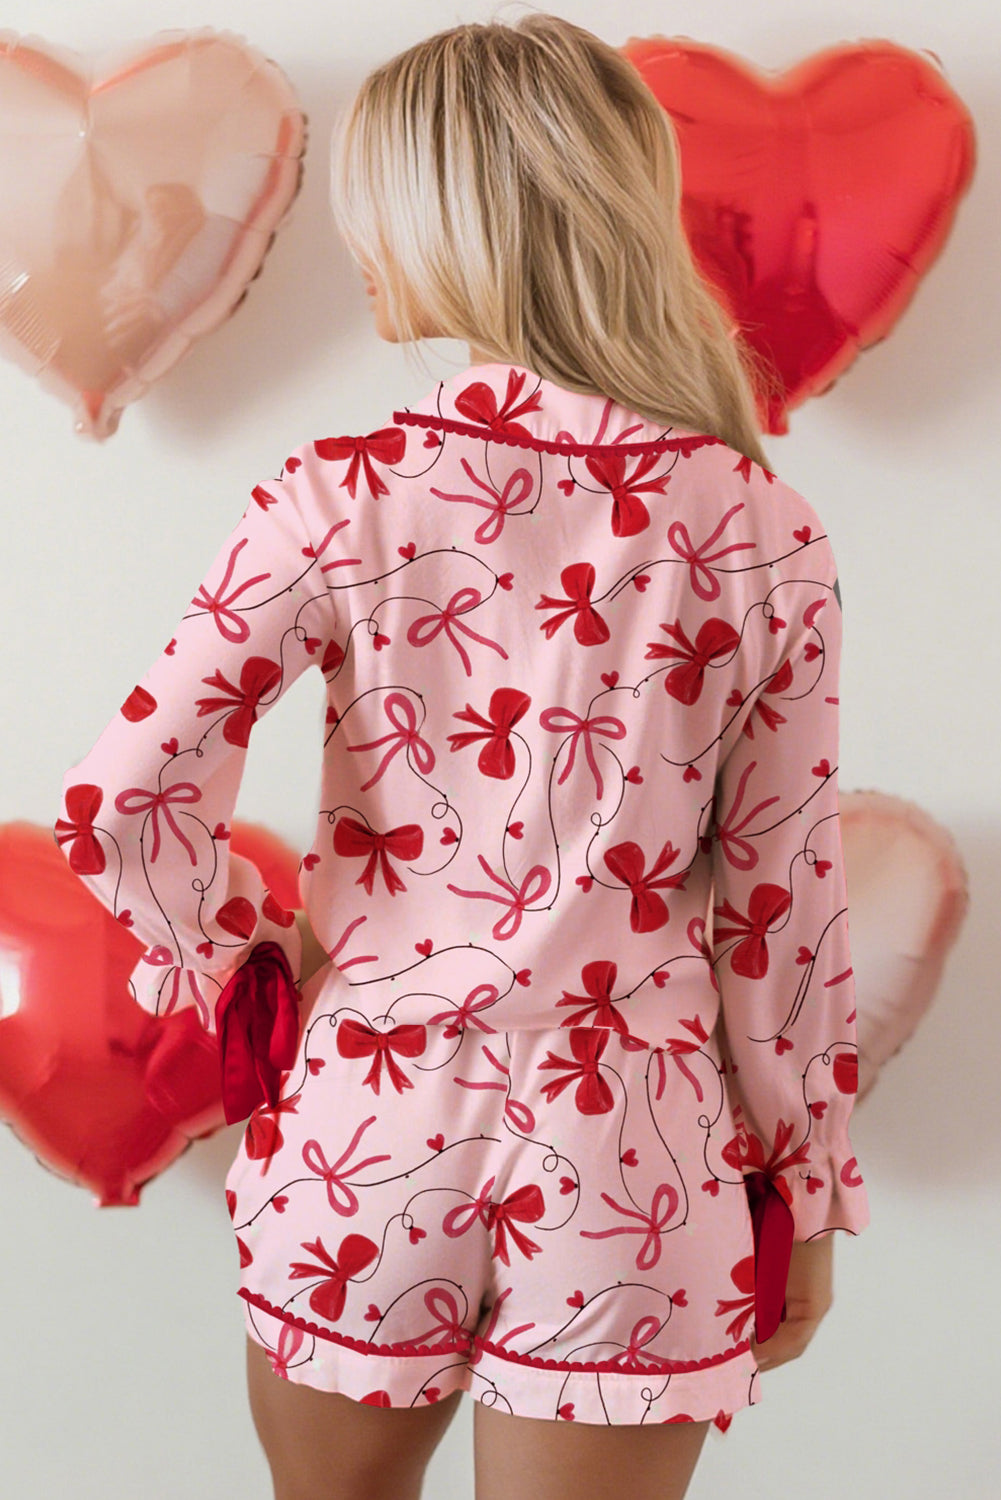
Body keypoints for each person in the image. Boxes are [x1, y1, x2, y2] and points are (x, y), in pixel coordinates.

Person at [54, 10, 869, 1499]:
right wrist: (800, 1190)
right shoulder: (763, 530)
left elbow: (120, 801)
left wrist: (250, 972)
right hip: (634, 1152)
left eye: (374, 207)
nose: (358, 247)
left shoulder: (339, 496)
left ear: (452, 218)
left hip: (368, 1114)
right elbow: (780, 910)